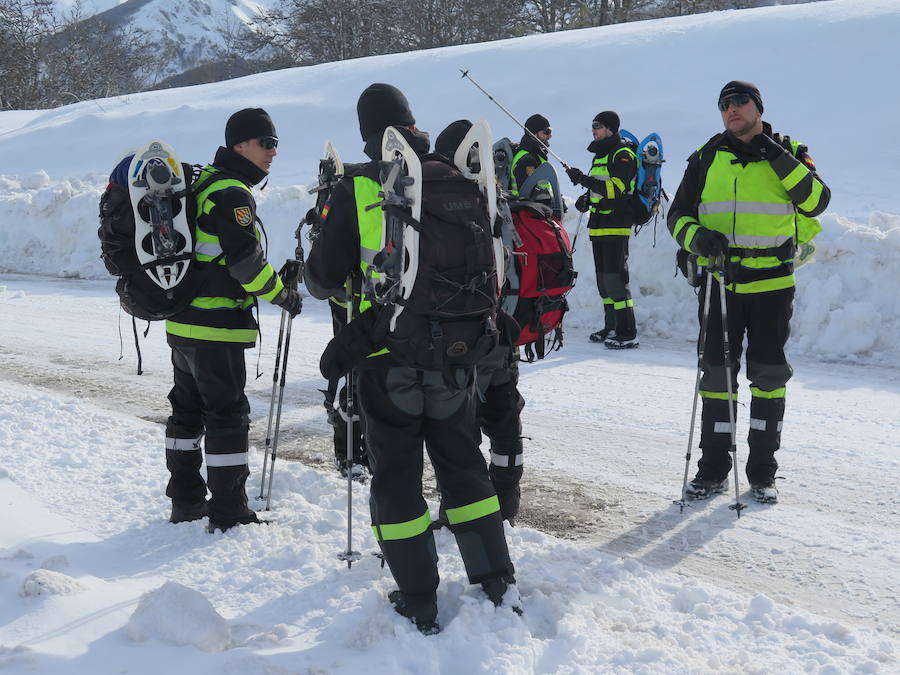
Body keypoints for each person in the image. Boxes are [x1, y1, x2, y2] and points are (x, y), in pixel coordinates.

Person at [304, 85, 517, 634]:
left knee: (397, 475)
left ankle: (420, 598)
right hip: (456, 354)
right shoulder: (455, 175)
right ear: (415, 121)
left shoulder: (358, 183)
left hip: (386, 354)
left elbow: (323, 278)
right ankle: (495, 581)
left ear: (365, 132)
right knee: (463, 467)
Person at [667, 81, 829, 504]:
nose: (731, 109)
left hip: (772, 287)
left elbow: (816, 201)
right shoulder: (705, 157)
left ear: (757, 107)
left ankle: (762, 473)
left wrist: (774, 153)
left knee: (769, 378)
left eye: (739, 102)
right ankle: (713, 470)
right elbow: (677, 216)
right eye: (724, 104)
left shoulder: (788, 151)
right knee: (717, 377)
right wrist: (697, 237)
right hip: (721, 283)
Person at [164, 108, 302, 532]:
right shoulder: (232, 192)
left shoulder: (204, 183)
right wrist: (283, 294)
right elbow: (244, 264)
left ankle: (186, 501)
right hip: (216, 328)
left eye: (275, 144)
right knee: (227, 417)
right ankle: (229, 511)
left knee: (185, 414)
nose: (273, 153)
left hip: (182, 324)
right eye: (267, 143)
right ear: (240, 145)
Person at [433, 120, 525, 525]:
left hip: (462, 338)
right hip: (501, 330)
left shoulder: (442, 204)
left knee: (460, 428)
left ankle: (463, 513)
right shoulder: (496, 198)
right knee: (505, 421)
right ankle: (506, 505)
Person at [565, 111, 639, 349]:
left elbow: (615, 189)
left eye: (598, 126)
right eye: (592, 126)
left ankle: (628, 332)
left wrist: (583, 180)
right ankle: (612, 326)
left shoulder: (623, 154)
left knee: (616, 280)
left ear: (610, 129)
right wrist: (586, 199)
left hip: (616, 225)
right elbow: (598, 188)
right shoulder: (601, 155)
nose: (594, 130)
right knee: (603, 282)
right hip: (598, 224)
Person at [510, 113, 553, 200]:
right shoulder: (527, 159)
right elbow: (529, 191)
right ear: (534, 134)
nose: (550, 136)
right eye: (546, 132)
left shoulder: (536, 155)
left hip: (538, 210)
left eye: (550, 131)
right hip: (528, 210)